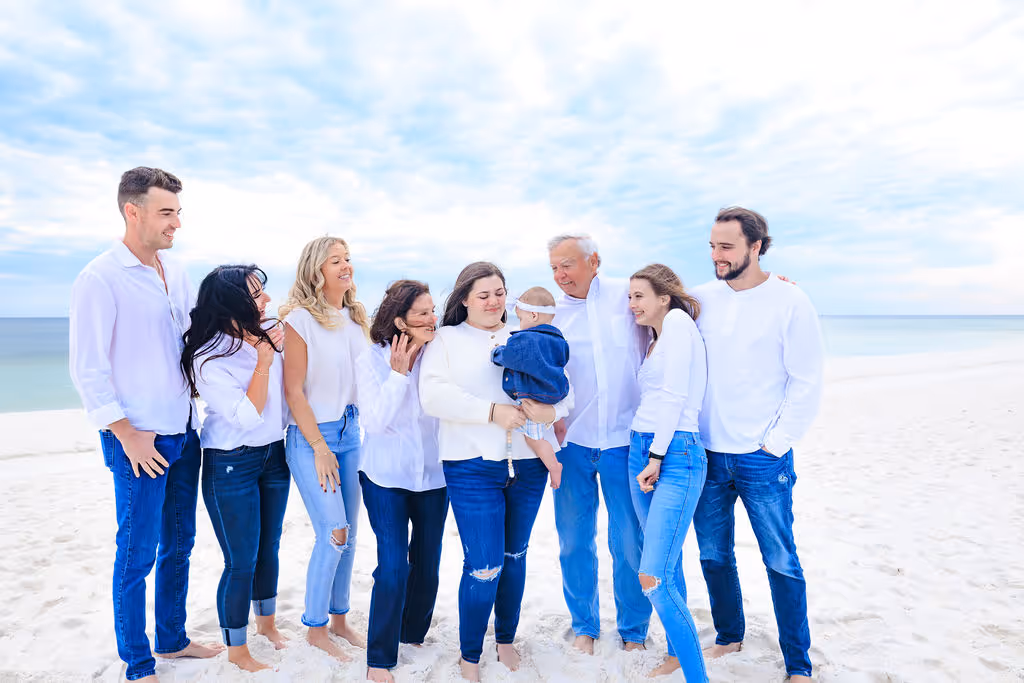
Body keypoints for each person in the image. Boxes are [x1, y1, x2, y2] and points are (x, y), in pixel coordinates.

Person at [69, 167, 222, 682]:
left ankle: (173, 640)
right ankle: (138, 662)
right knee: (136, 553)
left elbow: (184, 346)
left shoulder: (173, 272)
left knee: (180, 543)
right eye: (166, 212)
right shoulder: (100, 277)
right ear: (132, 212)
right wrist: (125, 432)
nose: (177, 223)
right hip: (138, 439)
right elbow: (87, 367)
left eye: (178, 212)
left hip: (184, 429)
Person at [419, 262, 573, 682]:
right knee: (483, 565)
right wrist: (491, 412)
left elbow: (565, 389)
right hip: (470, 467)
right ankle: (470, 654)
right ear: (465, 298)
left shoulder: (524, 334)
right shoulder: (446, 339)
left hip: (527, 467)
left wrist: (552, 409)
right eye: (483, 294)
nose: (493, 301)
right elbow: (433, 396)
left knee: (514, 556)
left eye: (500, 292)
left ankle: (505, 640)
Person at [691, 207, 824, 682]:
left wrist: (774, 443)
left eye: (726, 246)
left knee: (781, 560)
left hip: (762, 458)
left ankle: (798, 664)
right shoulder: (701, 299)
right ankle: (729, 635)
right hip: (705, 454)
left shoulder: (790, 300)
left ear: (757, 247)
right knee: (713, 554)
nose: (716, 255)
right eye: (711, 245)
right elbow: (643, 310)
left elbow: (806, 380)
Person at [180, 265, 290, 672]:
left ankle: (267, 626)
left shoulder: (268, 334)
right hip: (232, 463)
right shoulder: (209, 356)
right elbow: (247, 417)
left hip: (274, 456)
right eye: (256, 294)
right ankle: (238, 650)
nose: (265, 300)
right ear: (231, 304)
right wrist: (263, 360)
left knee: (269, 548)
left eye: (263, 292)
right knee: (240, 559)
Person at [547, 234, 650, 654]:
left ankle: (633, 631)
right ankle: (584, 626)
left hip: (624, 441)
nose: (560, 275)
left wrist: (771, 285)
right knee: (574, 540)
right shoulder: (549, 313)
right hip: (571, 442)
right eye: (553, 267)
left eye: (567, 265)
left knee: (628, 541)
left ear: (594, 260)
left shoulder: (629, 294)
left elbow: (686, 301)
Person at [279, 236, 370, 661]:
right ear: (317, 270)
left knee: (349, 535)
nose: (345, 266)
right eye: (336, 260)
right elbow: (293, 391)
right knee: (332, 532)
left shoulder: (355, 317)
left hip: (351, 432)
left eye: (347, 259)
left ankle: (339, 620)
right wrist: (318, 445)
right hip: (313, 435)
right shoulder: (300, 319)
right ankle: (314, 628)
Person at [356, 280, 447, 683]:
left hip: (434, 475)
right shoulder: (371, 358)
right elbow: (374, 422)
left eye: (433, 310)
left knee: (427, 564)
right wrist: (398, 375)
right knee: (393, 566)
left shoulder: (441, 354)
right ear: (399, 321)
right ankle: (379, 658)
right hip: (384, 476)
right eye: (422, 313)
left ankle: (412, 635)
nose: (433, 319)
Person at [627, 264, 709, 682]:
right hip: (642, 448)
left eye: (639, 295)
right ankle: (678, 653)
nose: (632, 304)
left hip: (674, 452)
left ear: (665, 296)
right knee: (667, 566)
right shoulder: (655, 337)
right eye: (629, 297)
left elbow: (675, 395)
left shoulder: (677, 321)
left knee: (653, 575)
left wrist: (656, 455)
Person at [490, 286, 570, 489]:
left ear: (533, 315)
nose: (521, 324)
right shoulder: (559, 340)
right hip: (554, 394)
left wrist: (496, 353)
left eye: (522, 318)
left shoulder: (526, 339)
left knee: (533, 438)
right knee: (546, 429)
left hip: (535, 397)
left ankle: (554, 466)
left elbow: (511, 357)